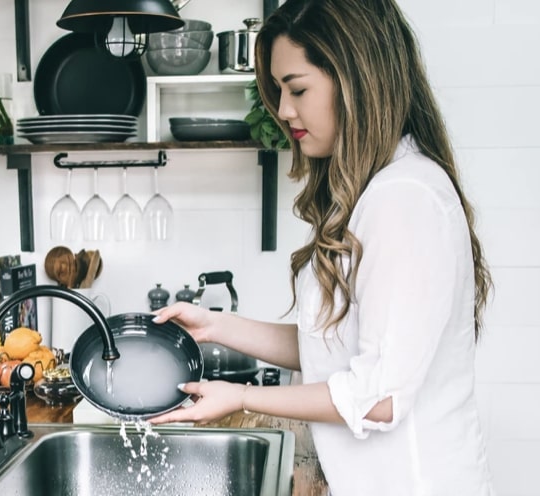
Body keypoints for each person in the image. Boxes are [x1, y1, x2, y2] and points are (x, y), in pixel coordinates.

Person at [149, 0, 495, 494]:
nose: (284, 110)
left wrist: (241, 396)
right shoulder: (376, 192)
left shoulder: (404, 198)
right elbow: (331, 348)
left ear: (356, 80)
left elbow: (378, 397)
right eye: (279, 91)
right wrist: (215, 327)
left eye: (297, 89)